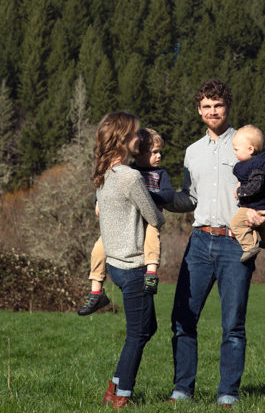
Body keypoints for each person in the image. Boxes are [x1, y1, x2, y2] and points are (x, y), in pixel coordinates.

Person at [169, 79, 265, 408]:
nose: (212, 111)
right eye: (206, 106)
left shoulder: (247, 143)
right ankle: (182, 389)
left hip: (236, 242)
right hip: (199, 241)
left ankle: (228, 393)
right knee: (183, 319)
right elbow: (188, 198)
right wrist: (157, 197)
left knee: (233, 324)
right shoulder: (192, 152)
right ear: (198, 110)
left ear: (227, 106)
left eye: (217, 105)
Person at [93, 112, 165, 409]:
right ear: (123, 140)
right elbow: (154, 216)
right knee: (139, 332)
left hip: (114, 265)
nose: (141, 139)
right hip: (134, 266)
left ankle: (115, 384)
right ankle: (121, 396)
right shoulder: (130, 176)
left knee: (148, 328)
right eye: (136, 134)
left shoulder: (103, 173)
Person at [77, 128, 178, 316]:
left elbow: (169, 194)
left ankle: (151, 273)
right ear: (139, 153)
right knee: (99, 248)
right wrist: (97, 201)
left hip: (148, 222)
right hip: (125, 224)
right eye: (154, 152)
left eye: (159, 152)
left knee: (152, 236)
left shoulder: (160, 174)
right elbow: (107, 188)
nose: (159, 156)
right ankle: (96, 290)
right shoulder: (129, 172)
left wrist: (145, 197)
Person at [230, 124, 265, 262]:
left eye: (236, 149)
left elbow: (256, 186)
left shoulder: (256, 166)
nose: (234, 153)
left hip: (254, 205)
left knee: (236, 224)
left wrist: (240, 191)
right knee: (262, 225)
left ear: (250, 149)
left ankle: (249, 247)